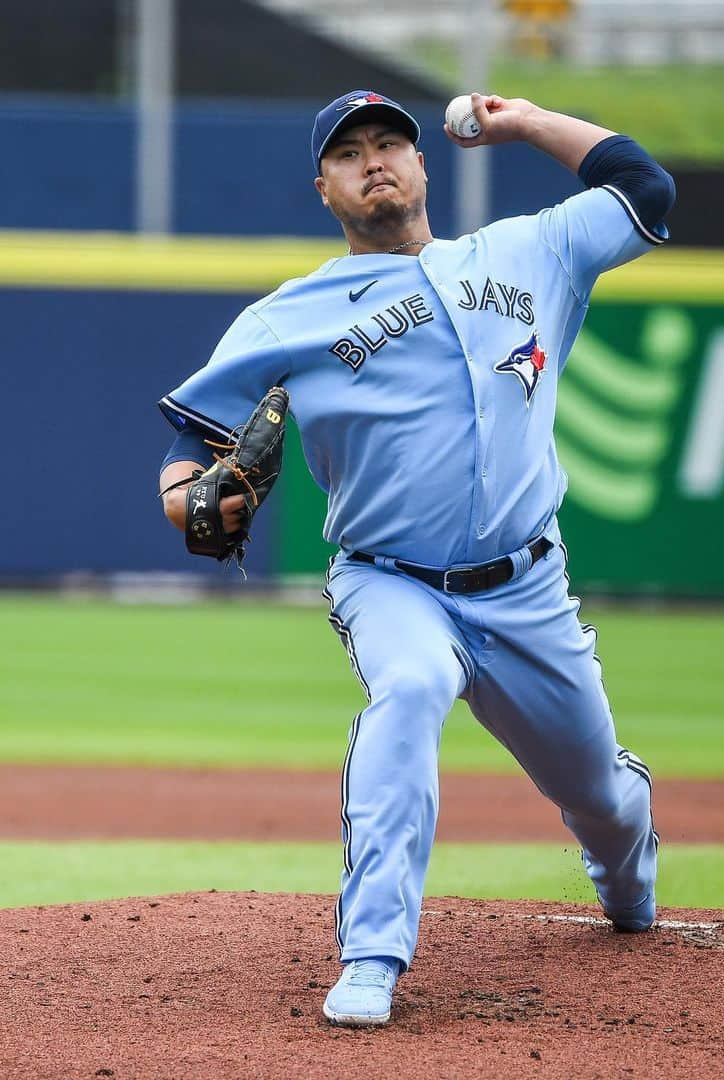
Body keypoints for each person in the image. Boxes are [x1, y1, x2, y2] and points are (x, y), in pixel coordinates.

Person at [157, 89, 675, 1027]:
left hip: (528, 590)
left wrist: (522, 121)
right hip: (389, 582)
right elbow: (187, 444)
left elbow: (644, 189)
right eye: (349, 152)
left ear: (424, 162)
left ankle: (623, 874)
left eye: (390, 140)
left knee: (601, 797)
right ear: (325, 188)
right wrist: (180, 493)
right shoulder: (289, 315)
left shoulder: (529, 251)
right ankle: (372, 956)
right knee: (409, 691)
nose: (374, 159)